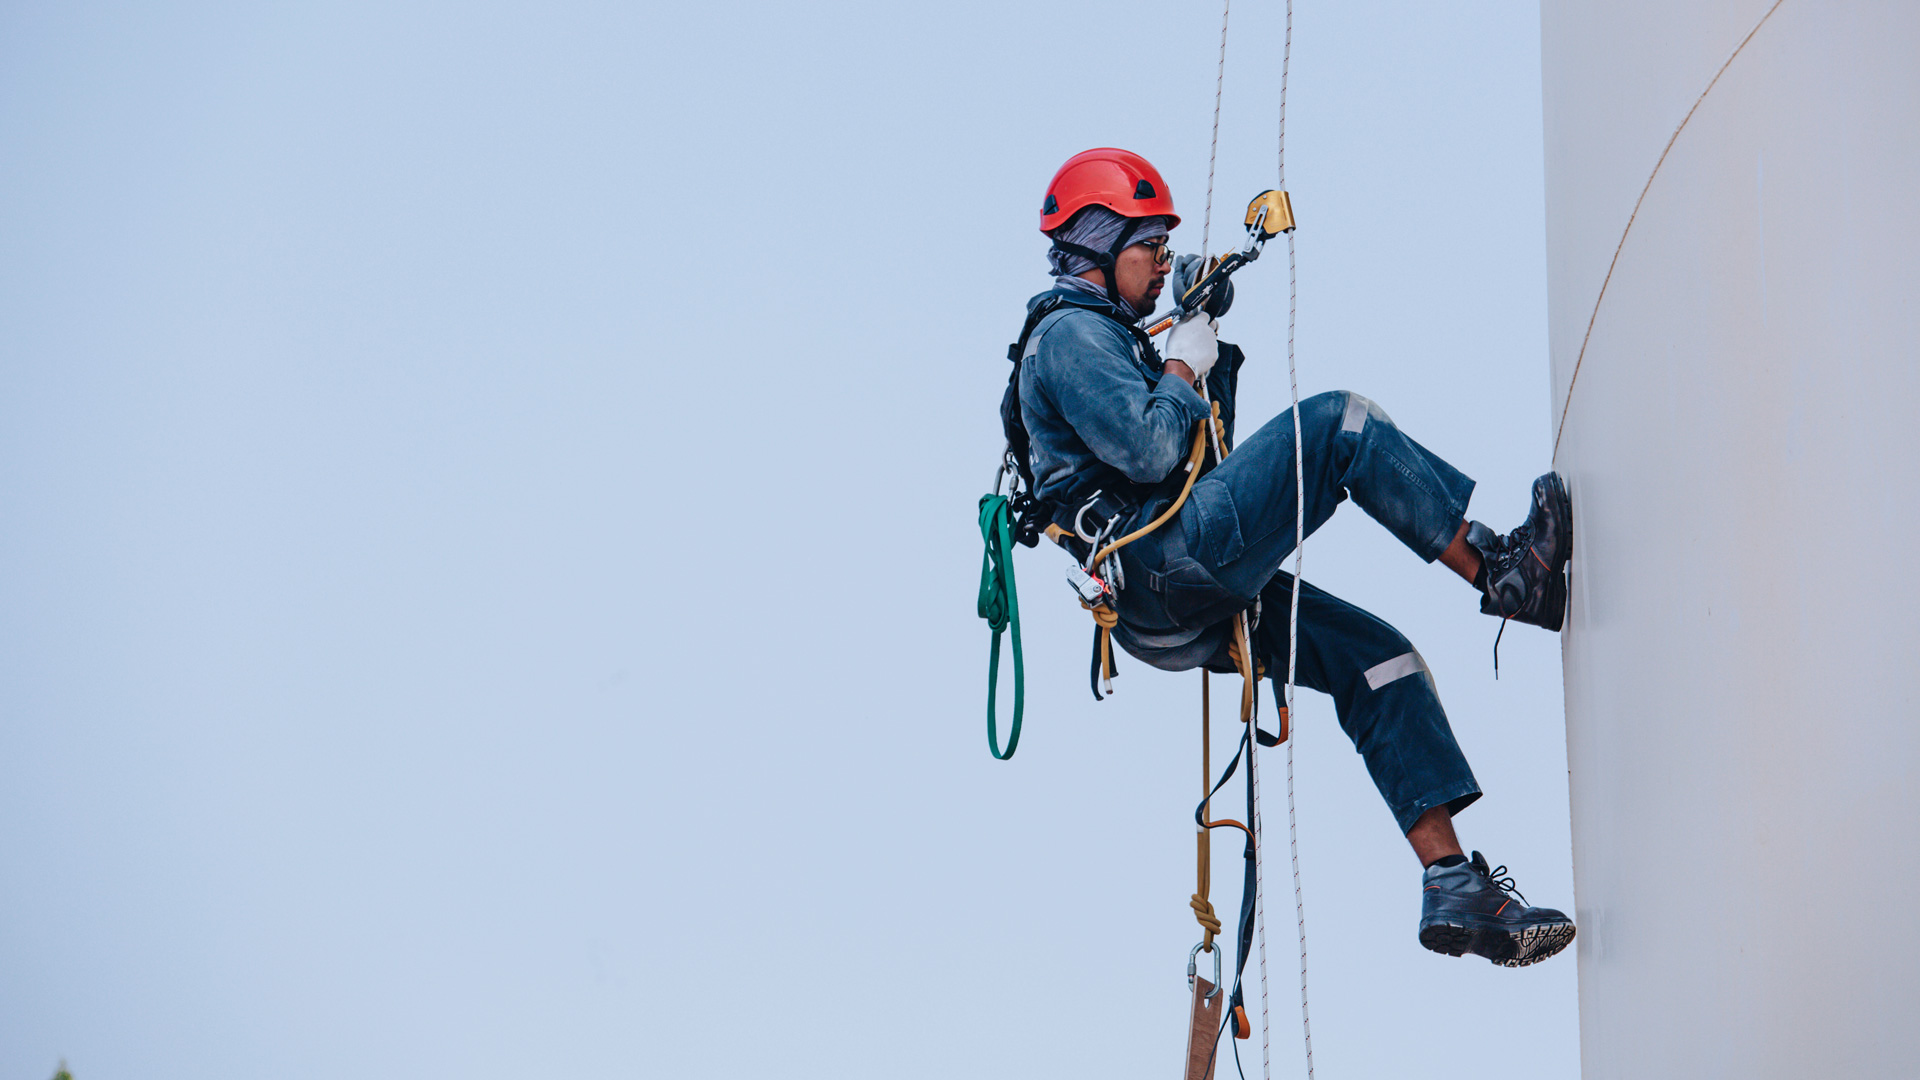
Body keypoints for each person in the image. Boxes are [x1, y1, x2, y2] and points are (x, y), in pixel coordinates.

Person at [1010, 147, 1575, 967]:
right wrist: (1180, 357)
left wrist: (1207, 344)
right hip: (1162, 565)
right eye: (1150, 249)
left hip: (1170, 591)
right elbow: (1150, 448)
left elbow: (1207, 458)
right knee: (1341, 425)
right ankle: (1505, 573)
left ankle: (1451, 881)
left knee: (1378, 660)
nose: (1162, 263)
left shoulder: (1113, 343)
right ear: (1097, 246)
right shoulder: (1067, 335)